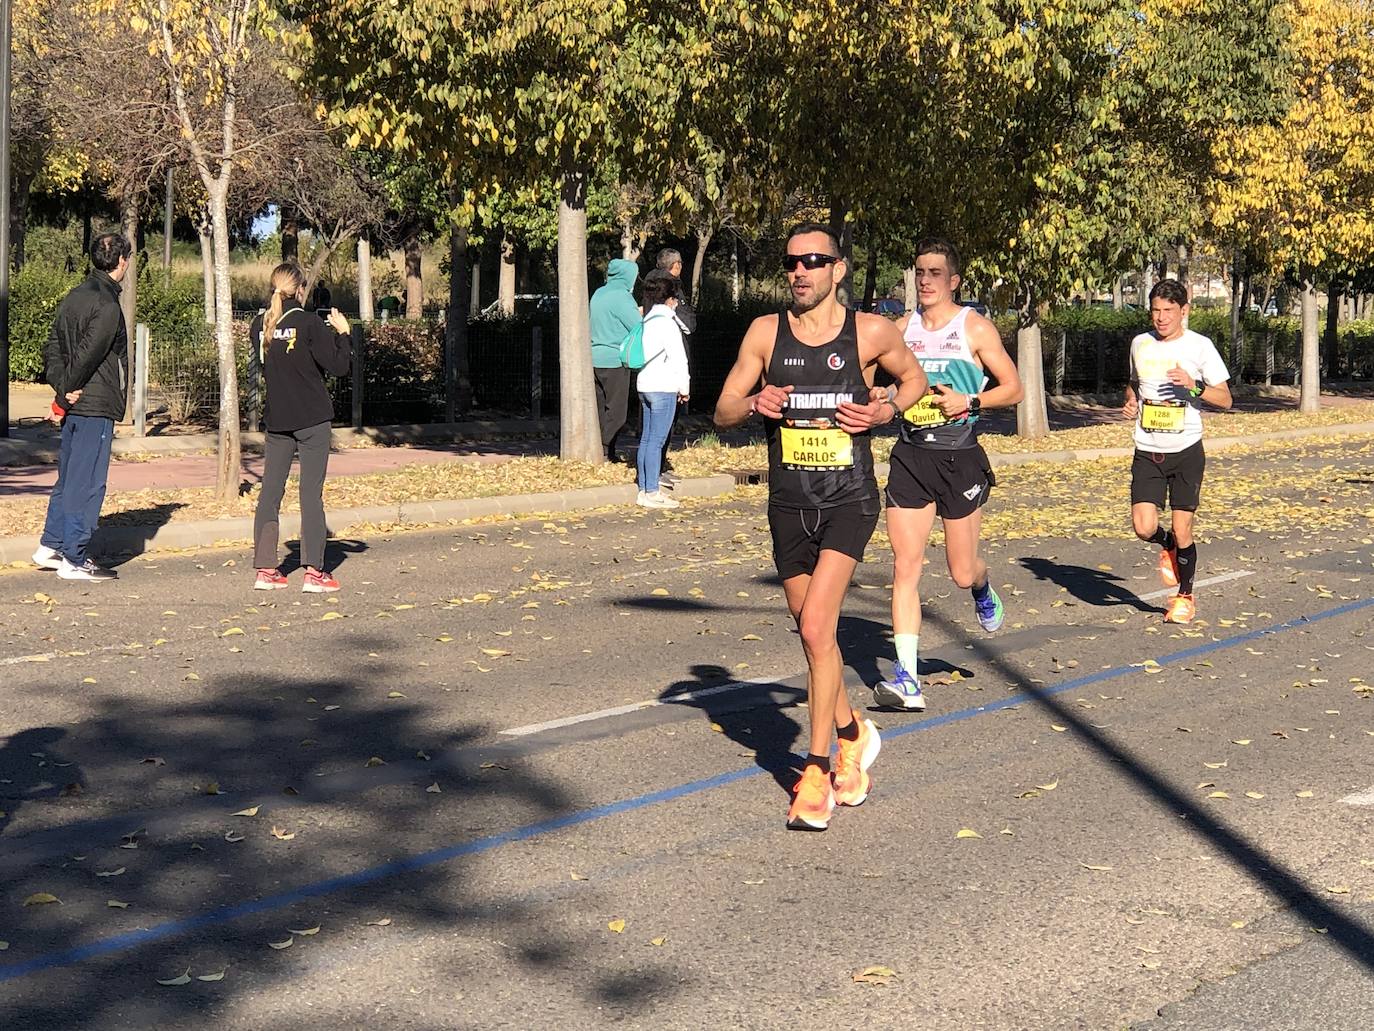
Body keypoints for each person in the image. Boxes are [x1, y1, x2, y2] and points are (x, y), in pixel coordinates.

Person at [714, 222, 927, 831]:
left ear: (839, 269)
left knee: (814, 625)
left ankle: (815, 771)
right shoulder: (764, 333)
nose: (800, 271)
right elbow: (724, 408)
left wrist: (885, 408)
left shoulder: (871, 331)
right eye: (791, 263)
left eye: (813, 261)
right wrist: (755, 404)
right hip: (788, 502)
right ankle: (855, 732)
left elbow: (913, 380)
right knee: (814, 637)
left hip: (848, 499)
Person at [872, 238, 1023, 711]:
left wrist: (969, 401)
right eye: (919, 272)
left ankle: (982, 587)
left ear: (953, 281)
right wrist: (882, 398)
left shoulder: (973, 327)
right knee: (905, 568)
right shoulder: (900, 329)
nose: (925, 280)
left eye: (935, 273)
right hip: (912, 456)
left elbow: (1014, 388)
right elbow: (885, 382)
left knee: (960, 571)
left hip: (959, 458)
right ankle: (908, 680)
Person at [1122, 278, 1232, 624]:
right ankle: (1166, 545)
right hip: (1147, 448)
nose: (1161, 317)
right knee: (1143, 527)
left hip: (1185, 449)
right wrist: (1128, 401)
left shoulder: (1200, 347)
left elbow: (1225, 399)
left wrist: (1194, 385)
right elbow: (1134, 383)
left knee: (1184, 528)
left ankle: (1184, 597)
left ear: (1184, 311)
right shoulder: (1140, 343)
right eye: (1155, 310)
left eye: (1169, 310)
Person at [32, 233, 132, 582]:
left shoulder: (74, 296)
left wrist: (62, 387)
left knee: (70, 478)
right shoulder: (107, 305)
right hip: (94, 403)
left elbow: (53, 348)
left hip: (79, 403)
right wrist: (66, 392)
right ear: (121, 262)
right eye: (127, 259)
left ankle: (52, 544)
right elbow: (89, 354)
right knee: (87, 482)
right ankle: (74, 557)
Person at [248, 262, 352, 593]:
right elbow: (338, 367)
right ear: (301, 289)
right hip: (311, 420)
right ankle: (314, 572)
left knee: (270, 492)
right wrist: (344, 333)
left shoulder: (259, 325)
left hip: (277, 421)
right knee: (310, 493)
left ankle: (265, 569)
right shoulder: (309, 323)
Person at [634, 276, 690, 509]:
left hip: (644, 384)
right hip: (664, 387)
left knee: (646, 439)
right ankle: (653, 491)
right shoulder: (668, 323)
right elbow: (679, 358)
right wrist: (684, 387)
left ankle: (644, 488)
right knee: (657, 441)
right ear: (670, 299)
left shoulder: (647, 320)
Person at [645, 248, 697, 481]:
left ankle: (650, 474)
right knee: (663, 427)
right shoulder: (671, 286)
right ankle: (656, 476)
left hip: (648, 368)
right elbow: (687, 324)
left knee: (648, 433)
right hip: (666, 373)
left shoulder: (648, 283)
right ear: (675, 266)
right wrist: (684, 386)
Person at [589, 258, 640, 463]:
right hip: (615, 361)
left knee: (600, 409)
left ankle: (603, 452)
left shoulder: (598, 293)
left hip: (594, 359)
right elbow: (637, 325)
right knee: (618, 412)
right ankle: (606, 447)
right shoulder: (622, 297)